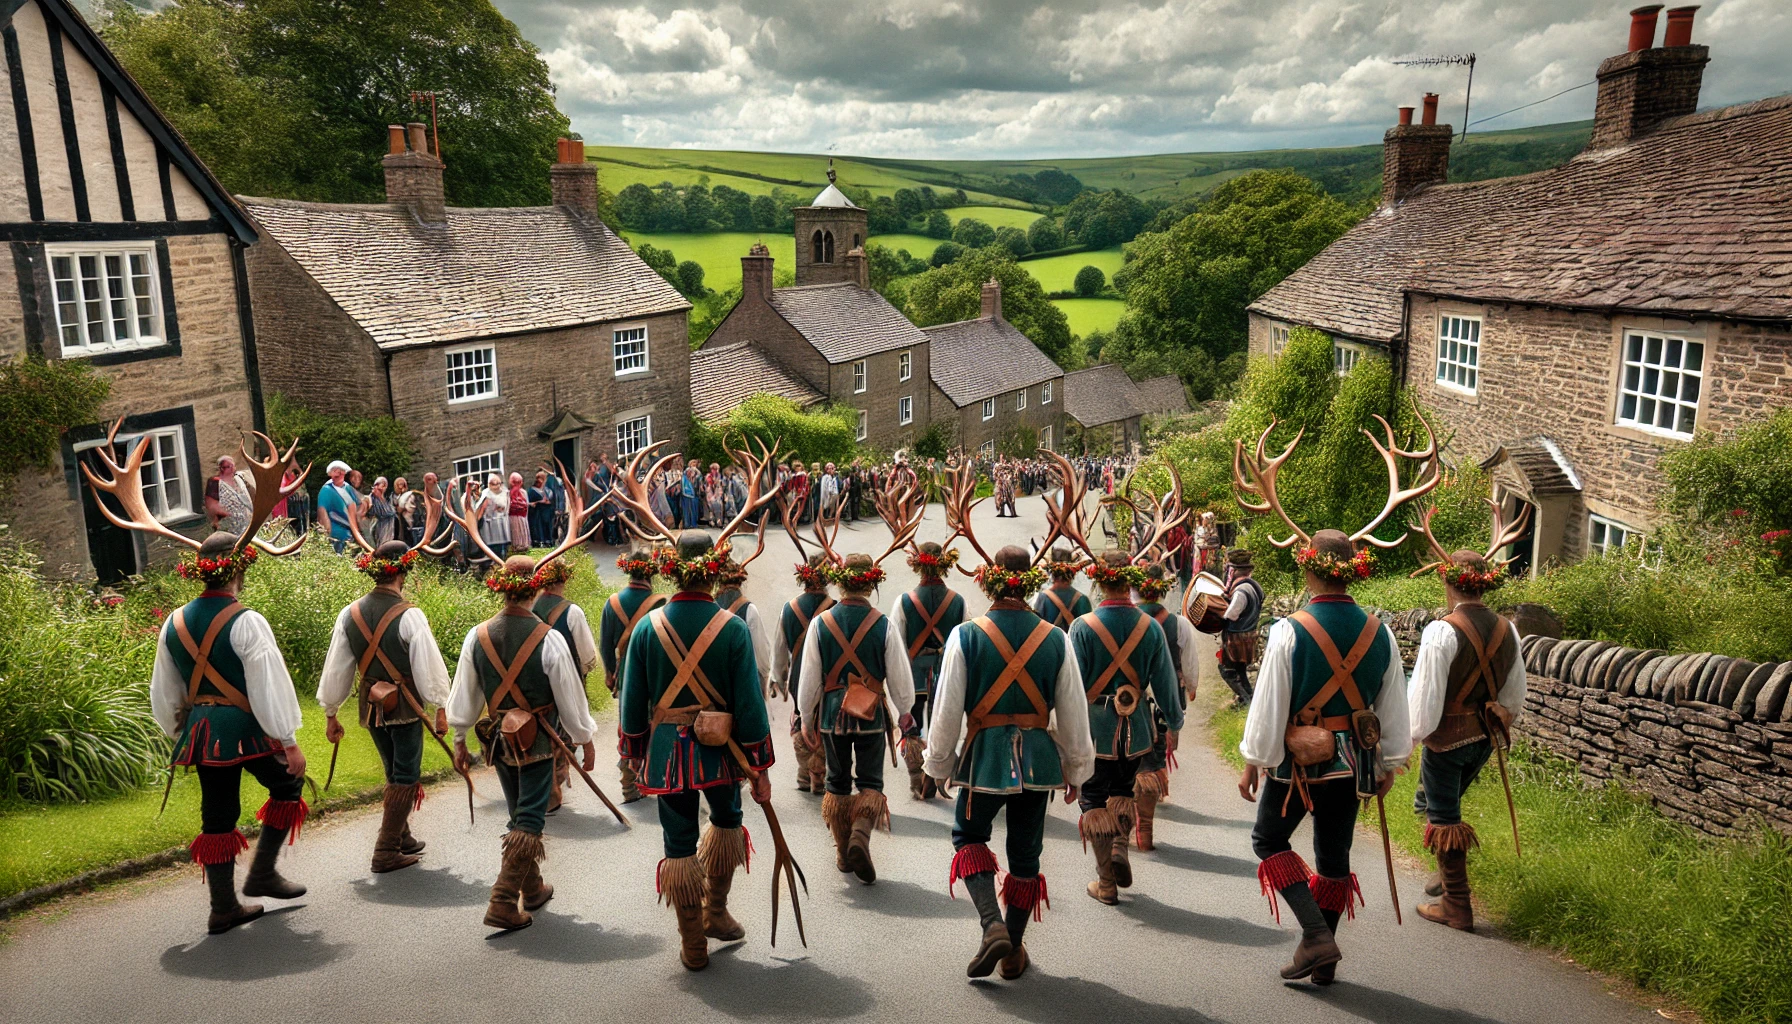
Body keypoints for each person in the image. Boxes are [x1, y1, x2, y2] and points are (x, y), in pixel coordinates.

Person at [1238, 530, 1411, 984]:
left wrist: (1255, 759)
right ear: (1352, 572)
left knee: (1268, 840)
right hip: (1356, 762)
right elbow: (1394, 703)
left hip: (1298, 762)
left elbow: (1269, 703)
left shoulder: (1287, 630)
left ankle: (1316, 936)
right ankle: (1324, 961)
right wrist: (1389, 762)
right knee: (1334, 854)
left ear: (1308, 568)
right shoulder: (1382, 631)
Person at [926, 545, 1094, 980]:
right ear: (1028, 579)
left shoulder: (965, 635)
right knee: (1025, 857)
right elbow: (1073, 710)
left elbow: (946, 710)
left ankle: (991, 926)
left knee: (968, 837)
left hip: (984, 757)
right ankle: (1013, 949)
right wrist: (1077, 769)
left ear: (991, 578)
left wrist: (938, 766)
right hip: (1038, 761)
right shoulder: (1055, 637)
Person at [618, 532, 775, 972]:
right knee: (727, 820)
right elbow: (749, 703)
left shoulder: (648, 627)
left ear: (672, 568)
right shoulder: (733, 627)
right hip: (721, 751)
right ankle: (716, 912)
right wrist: (759, 763)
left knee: (678, 841)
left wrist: (633, 750)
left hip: (667, 752)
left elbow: (632, 699)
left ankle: (693, 942)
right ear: (714, 569)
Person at [448, 552, 598, 933]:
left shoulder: (477, 635)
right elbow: (569, 695)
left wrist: (460, 738)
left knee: (519, 813)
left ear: (502, 591)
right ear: (534, 590)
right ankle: (501, 901)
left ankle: (532, 889)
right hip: (538, 740)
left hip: (498, 742)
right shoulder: (549, 638)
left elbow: (464, 696)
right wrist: (583, 737)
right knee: (530, 818)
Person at [1407, 550, 1526, 932]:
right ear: (1484, 584)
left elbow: (1425, 699)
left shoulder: (1441, 630)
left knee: (1443, 816)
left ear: (1447, 582)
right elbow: (1514, 697)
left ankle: (1456, 906)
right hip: (1484, 738)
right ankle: (1447, 870)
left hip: (1446, 741)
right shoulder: (1509, 628)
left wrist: (1408, 740)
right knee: (1434, 799)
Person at [317, 540, 452, 873]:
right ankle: (385, 849)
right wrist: (440, 706)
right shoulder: (410, 615)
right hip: (403, 704)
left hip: (371, 705)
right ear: (403, 571)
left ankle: (402, 835)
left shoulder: (349, 614)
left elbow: (336, 668)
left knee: (393, 770)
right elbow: (429, 665)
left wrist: (331, 712)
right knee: (406, 774)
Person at [1069, 552, 1183, 905]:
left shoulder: (1082, 626)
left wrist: (1063, 733)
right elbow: (1165, 683)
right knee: (1123, 790)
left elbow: (1071, 688)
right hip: (1137, 731)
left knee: (1093, 799)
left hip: (1094, 732)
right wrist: (1174, 723)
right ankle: (1120, 846)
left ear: (1099, 580)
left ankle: (1105, 884)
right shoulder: (1150, 626)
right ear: (1129, 581)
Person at [798, 553, 915, 884]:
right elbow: (899, 676)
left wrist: (806, 717)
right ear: (872, 583)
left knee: (837, 781)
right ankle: (860, 838)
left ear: (841, 581)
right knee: (870, 780)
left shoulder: (821, 623)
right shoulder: (883, 623)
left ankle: (842, 851)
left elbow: (810, 677)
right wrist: (905, 710)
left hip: (832, 714)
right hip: (871, 714)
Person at [889, 541, 966, 800]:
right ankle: (931, 777)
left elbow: (897, 644)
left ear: (918, 566)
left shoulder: (903, 601)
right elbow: (964, 643)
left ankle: (915, 775)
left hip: (913, 674)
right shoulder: (958, 601)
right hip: (946, 674)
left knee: (913, 724)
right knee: (940, 725)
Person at [1133, 563, 1201, 851]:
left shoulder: (1128, 621)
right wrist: (1192, 686)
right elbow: (1189, 662)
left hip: (1131, 702)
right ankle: (1146, 826)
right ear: (1163, 589)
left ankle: (1126, 818)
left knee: (1129, 753)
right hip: (1167, 695)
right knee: (1157, 752)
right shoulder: (1178, 623)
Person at [532, 556, 599, 815]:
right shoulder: (572, 611)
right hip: (564, 681)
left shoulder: (529, 606)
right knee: (564, 734)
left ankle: (544, 787)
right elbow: (588, 657)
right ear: (564, 580)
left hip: (534, 684)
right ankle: (552, 789)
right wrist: (580, 674)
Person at [600, 548, 666, 803]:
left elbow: (606, 643)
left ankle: (629, 783)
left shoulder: (613, 602)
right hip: (655, 675)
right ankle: (651, 777)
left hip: (625, 674)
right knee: (653, 724)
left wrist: (609, 673)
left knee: (628, 726)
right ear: (652, 572)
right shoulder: (661, 602)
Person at [775, 553, 835, 794]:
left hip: (798, 676)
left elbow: (780, 648)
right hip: (830, 677)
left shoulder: (788, 608)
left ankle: (804, 773)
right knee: (823, 723)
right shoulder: (835, 609)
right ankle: (820, 772)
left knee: (802, 718)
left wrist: (779, 678)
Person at [714, 556, 773, 685]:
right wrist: (765, 675)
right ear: (740, 583)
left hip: (714, 681)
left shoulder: (710, 607)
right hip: (742, 680)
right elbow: (761, 650)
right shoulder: (749, 609)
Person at [1218, 549, 1266, 705]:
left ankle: (1246, 699)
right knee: (1241, 670)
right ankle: (1248, 697)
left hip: (1238, 636)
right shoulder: (1254, 586)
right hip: (1249, 634)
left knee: (1227, 670)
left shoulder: (1241, 591)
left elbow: (1231, 615)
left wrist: (1217, 612)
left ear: (1235, 571)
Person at [1034, 547, 1092, 630]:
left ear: (1051, 571)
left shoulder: (1043, 598)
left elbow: (1037, 629)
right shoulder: (1082, 599)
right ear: (1072, 571)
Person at [317, 460, 359, 554]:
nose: (338, 474)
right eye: (335, 471)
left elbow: (354, 511)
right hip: (334, 535)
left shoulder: (348, 488)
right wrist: (326, 535)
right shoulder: (326, 490)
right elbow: (323, 515)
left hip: (349, 535)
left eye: (340, 471)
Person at [205, 455, 254, 535]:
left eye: (233, 466)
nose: (232, 469)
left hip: (246, 524)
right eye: (228, 467)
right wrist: (222, 515)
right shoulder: (215, 482)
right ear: (221, 468)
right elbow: (211, 504)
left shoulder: (239, 479)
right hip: (229, 527)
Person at [478, 474, 510, 565]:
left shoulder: (505, 492)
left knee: (502, 546)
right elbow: (482, 508)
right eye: (493, 484)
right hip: (490, 524)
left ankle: (502, 561)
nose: (496, 486)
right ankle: (493, 562)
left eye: (498, 484)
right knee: (493, 546)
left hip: (501, 522)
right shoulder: (486, 493)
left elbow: (507, 507)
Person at [366, 477, 396, 546]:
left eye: (384, 485)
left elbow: (391, 511)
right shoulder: (371, 498)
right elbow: (383, 513)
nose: (383, 488)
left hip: (388, 529)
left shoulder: (385, 499)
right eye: (381, 485)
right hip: (378, 528)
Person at [528, 470, 554, 548]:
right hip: (537, 513)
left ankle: (548, 540)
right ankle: (540, 541)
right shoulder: (532, 491)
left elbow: (551, 499)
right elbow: (530, 503)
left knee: (547, 526)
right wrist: (539, 502)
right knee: (539, 527)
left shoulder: (547, 490)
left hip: (547, 512)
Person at [507, 472, 531, 553]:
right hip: (513, 517)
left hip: (521, 517)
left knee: (521, 530)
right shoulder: (508, 493)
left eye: (519, 481)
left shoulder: (523, 492)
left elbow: (527, 506)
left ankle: (523, 545)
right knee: (515, 531)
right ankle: (516, 546)